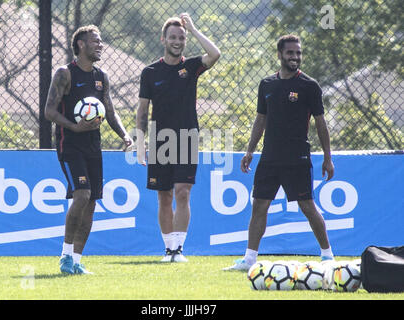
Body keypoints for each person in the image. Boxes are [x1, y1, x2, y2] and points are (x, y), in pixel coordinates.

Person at [224, 35, 335, 271]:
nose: (295, 57)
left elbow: (321, 123)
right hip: (269, 158)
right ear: (279, 55)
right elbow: (260, 119)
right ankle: (249, 260)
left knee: (307, 207)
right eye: (290, 53)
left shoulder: (309, 85)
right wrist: (249, 151)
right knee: (259, 206)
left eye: (298, 53)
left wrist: (328, 157)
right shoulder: (266, 85)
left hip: (298, 158)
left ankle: (327, 256)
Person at [44, 25, 133, 274]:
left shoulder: (101, 76)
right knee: (81, 195)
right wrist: (74, 127)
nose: (100, 44)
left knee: (92, 203)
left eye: (101, 41)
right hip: (70, 145)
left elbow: (110, 111)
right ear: (81, 45)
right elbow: (49, 111)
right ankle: (64, 256)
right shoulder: (65, 74)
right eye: (95, 41)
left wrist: (125, 135)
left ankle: (76, 261)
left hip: (94, 146)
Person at [136, 13, 220, 262]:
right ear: (163, 39)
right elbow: (142, 110)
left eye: (181, 37)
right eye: (173, 37)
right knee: (164, 195)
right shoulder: (150, 72)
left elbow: (215, 54)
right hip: (160, 140)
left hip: (187, 138)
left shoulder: (192, 66)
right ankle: (168, 249)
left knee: (183, 192)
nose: (177, 41)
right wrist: (141, 145)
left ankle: (179, 250)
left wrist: (193, 29)